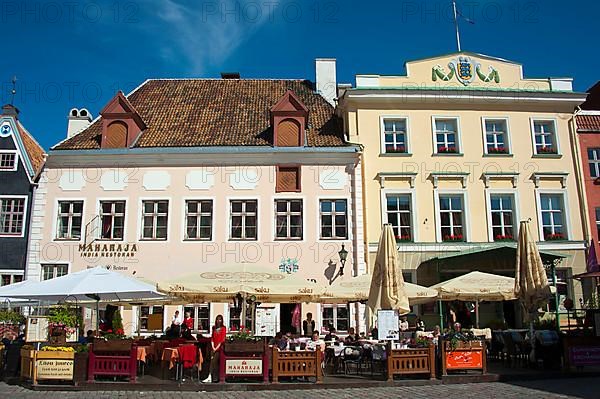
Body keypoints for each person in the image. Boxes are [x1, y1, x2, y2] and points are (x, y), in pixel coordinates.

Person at [203, 314, 226, 383]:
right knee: (213, 362)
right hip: (213, 347)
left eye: (220, 319)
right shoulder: (214, 328)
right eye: (218, 319)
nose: (219, 321)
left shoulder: (223, 328)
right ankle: (213, 377)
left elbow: (222, 339)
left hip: (219, 348)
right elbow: (212, 338)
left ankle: (210, 376)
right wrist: (213, 346)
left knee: (213, 361)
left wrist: (216, 348)